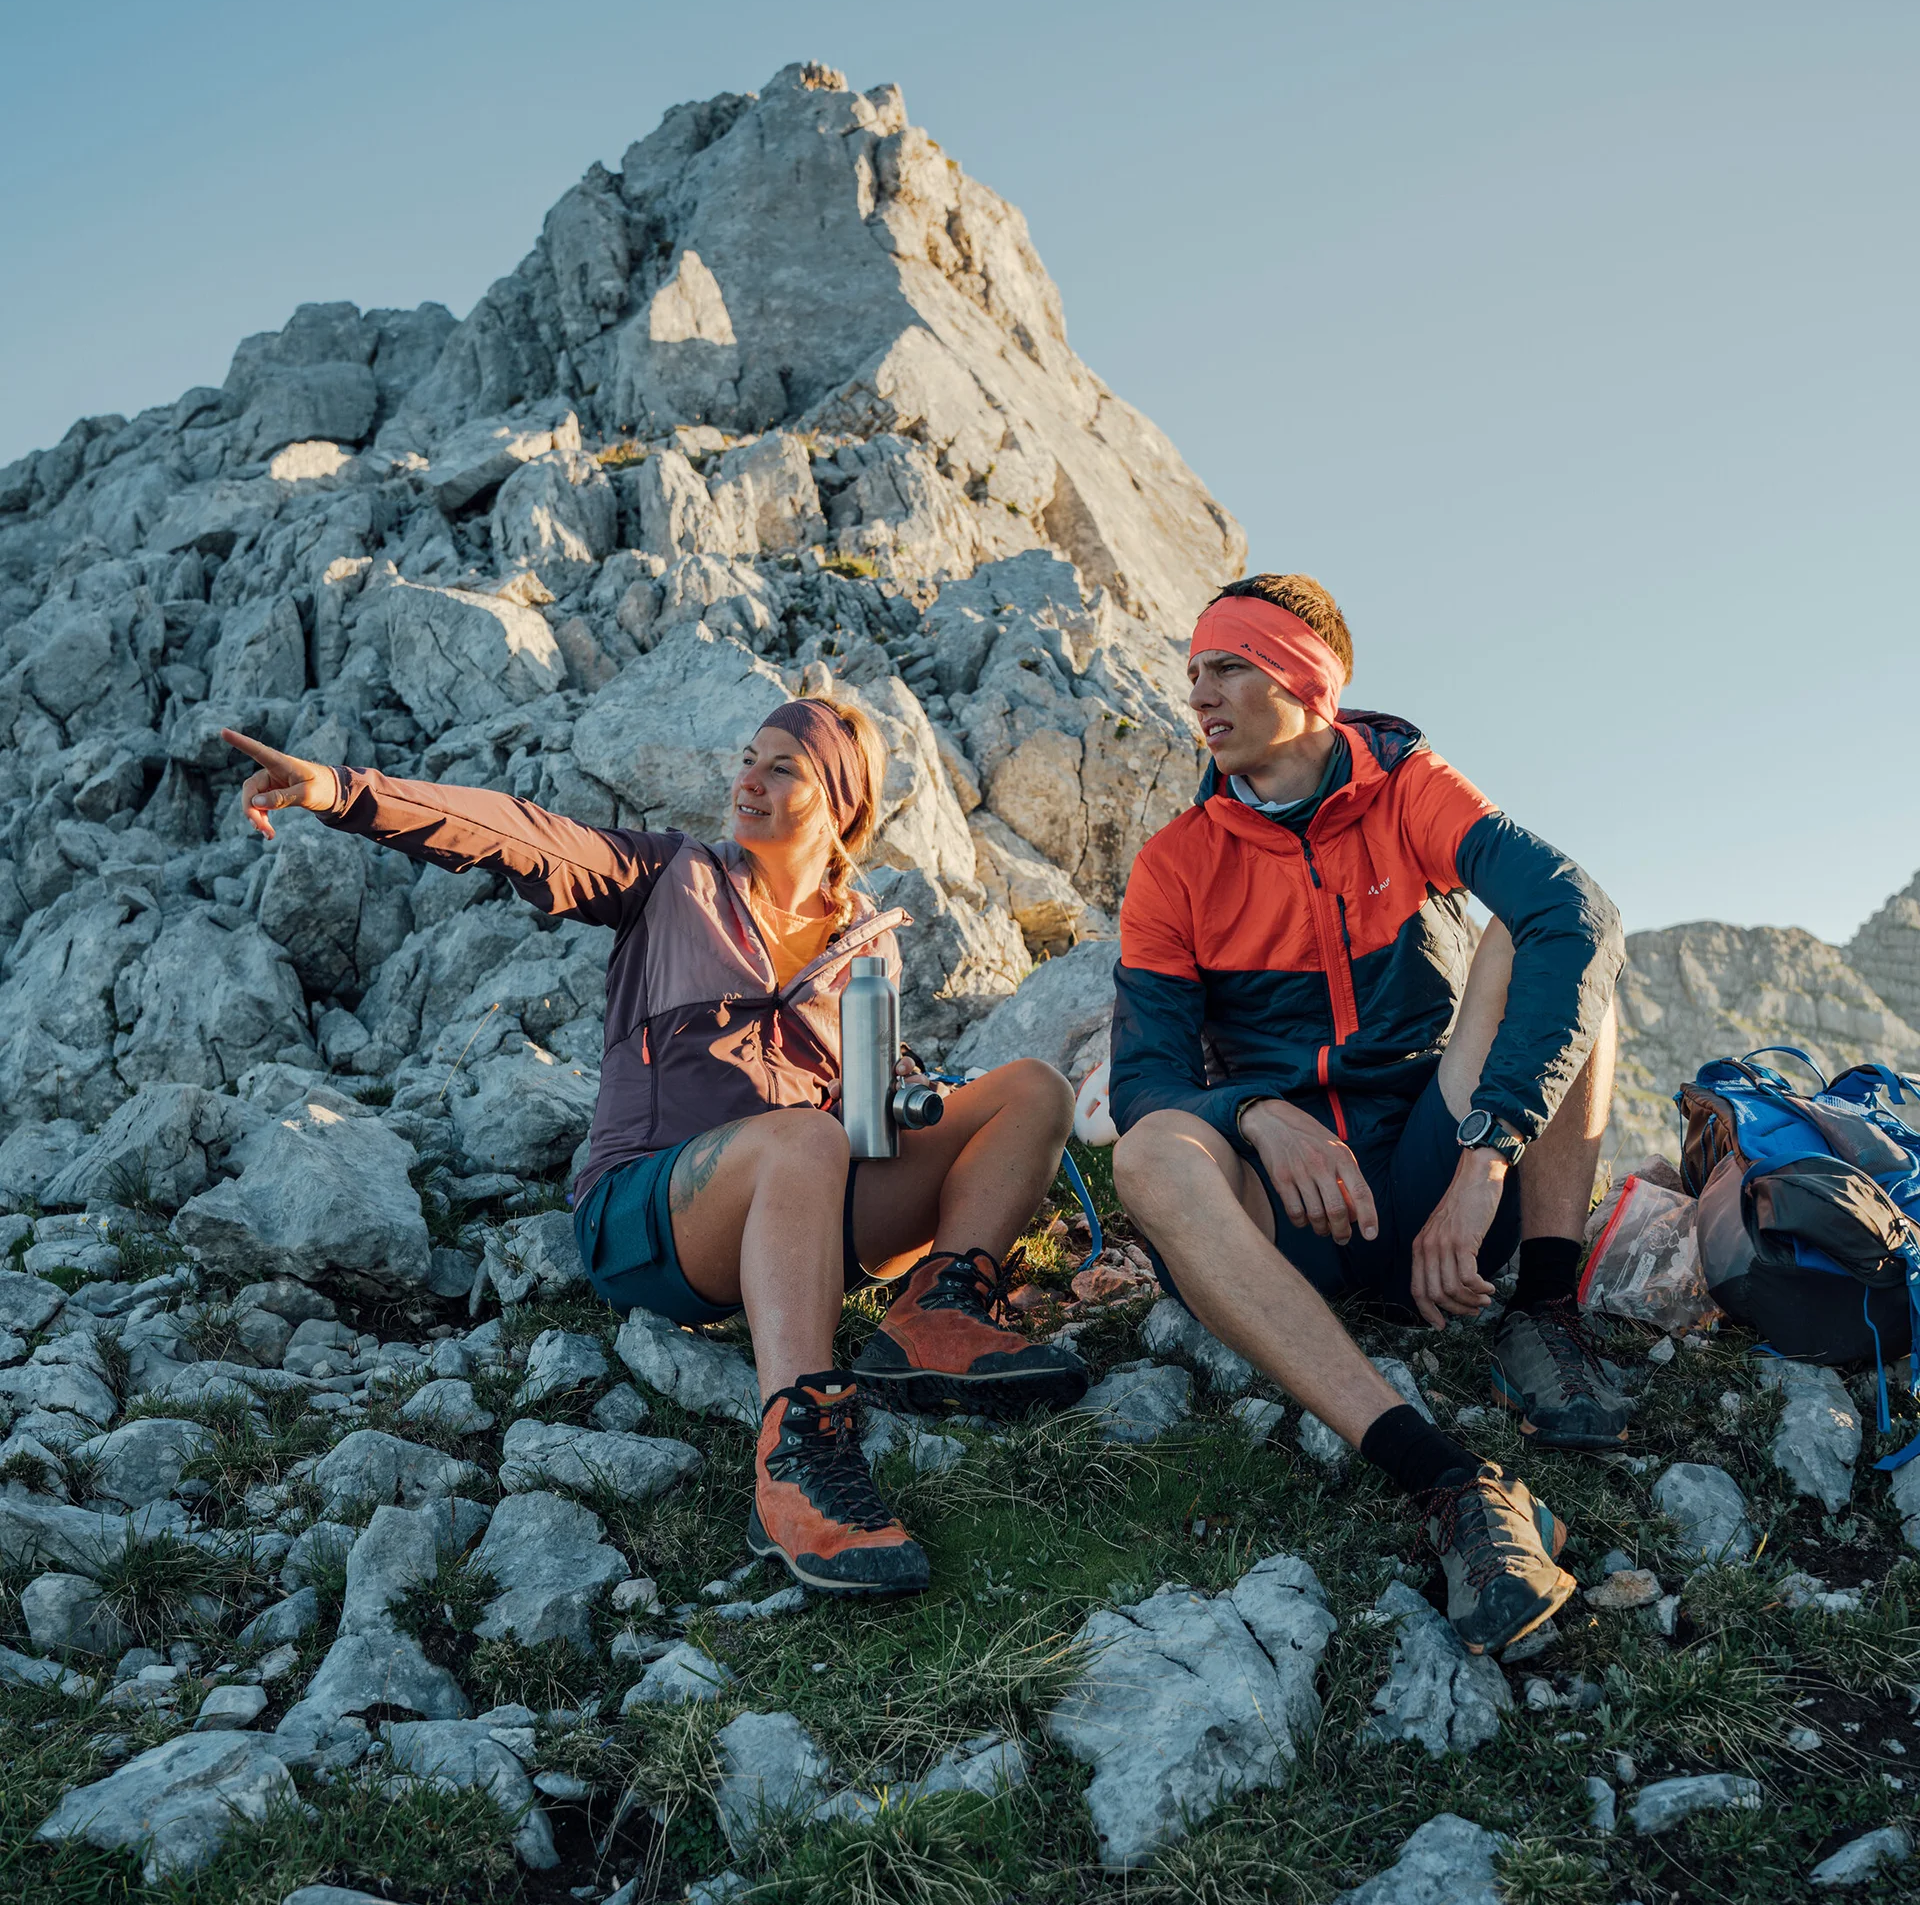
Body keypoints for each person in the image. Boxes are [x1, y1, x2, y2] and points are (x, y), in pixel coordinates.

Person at [223, 698, 1084, 1601]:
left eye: (782, 767)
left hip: (798, 1208)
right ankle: (796, 1455)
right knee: (801, 1139)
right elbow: (515, 835)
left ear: (841, 806)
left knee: (1033, 1090)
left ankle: (934, 1319)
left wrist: (898, 1099)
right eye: (748, 758)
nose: (747, 780)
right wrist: (340, 792)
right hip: (647, 1214)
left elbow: (860, 1115)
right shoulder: (672, 878)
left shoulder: (865, 945)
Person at [1107, 573, 1626, 1656]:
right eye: (1194, 671)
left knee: (1556, 944)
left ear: (1307, 681)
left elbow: (1574, 911)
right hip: (1292, 1216)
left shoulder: (1408, 789)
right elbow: (1144, 1083)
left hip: (1437, 1175)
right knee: (1151, 1154)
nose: (1200, 695)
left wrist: (1484, 1159)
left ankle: (1544, 1310)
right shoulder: (1174, 865)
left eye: (1230, 666)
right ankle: (1443, 1478)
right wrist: (1256, 1110)